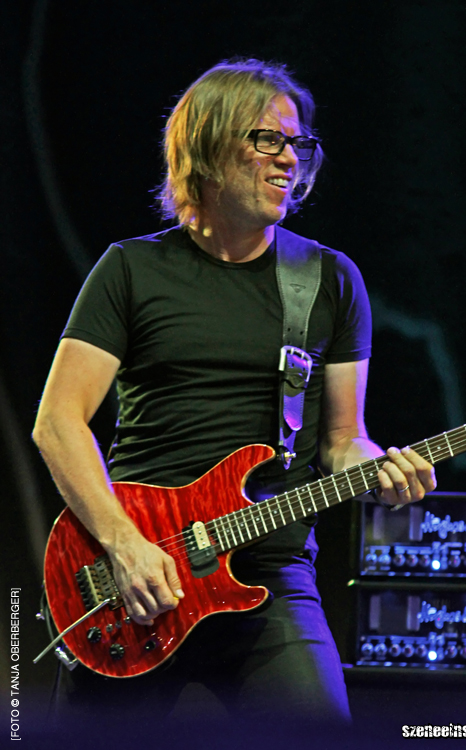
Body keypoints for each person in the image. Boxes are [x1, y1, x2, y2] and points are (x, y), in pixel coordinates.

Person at [32, 59, 436, 727]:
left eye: (299, 144)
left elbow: (343, 440)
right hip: (136, 573)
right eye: (268, 139)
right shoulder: (131, 268)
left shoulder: (329, 279)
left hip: (270, 573)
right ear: (209, 145)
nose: (290, 159)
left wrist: (378, 469)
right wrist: (124, 545)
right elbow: (57, 421)